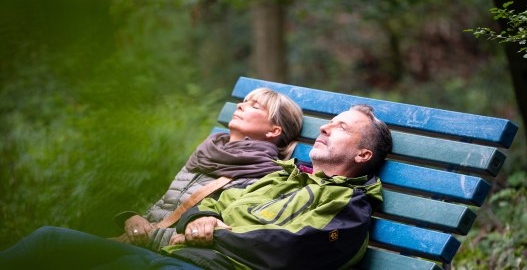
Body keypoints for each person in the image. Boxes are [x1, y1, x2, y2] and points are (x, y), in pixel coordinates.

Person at [0, 104, 392, 270]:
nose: (324, 127)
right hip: (178, 257)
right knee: (50, 240)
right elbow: (212, 203)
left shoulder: (348, 206)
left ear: (361, 155)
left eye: (341, 127)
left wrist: (206, 237)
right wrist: (204, 216)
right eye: (328, 122)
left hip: (205, 266)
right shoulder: (281, 176)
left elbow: (292, 250)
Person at [115, 87, 304, 251]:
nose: (240, 106)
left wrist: (143, 237)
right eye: (244, 102)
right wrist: (130, 219)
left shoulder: (262, 177)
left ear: (273, 131)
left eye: (254, 106)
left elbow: (217, 232)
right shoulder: (205, 154)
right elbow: (166, 207)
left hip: (164, 253)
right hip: (138, 242)